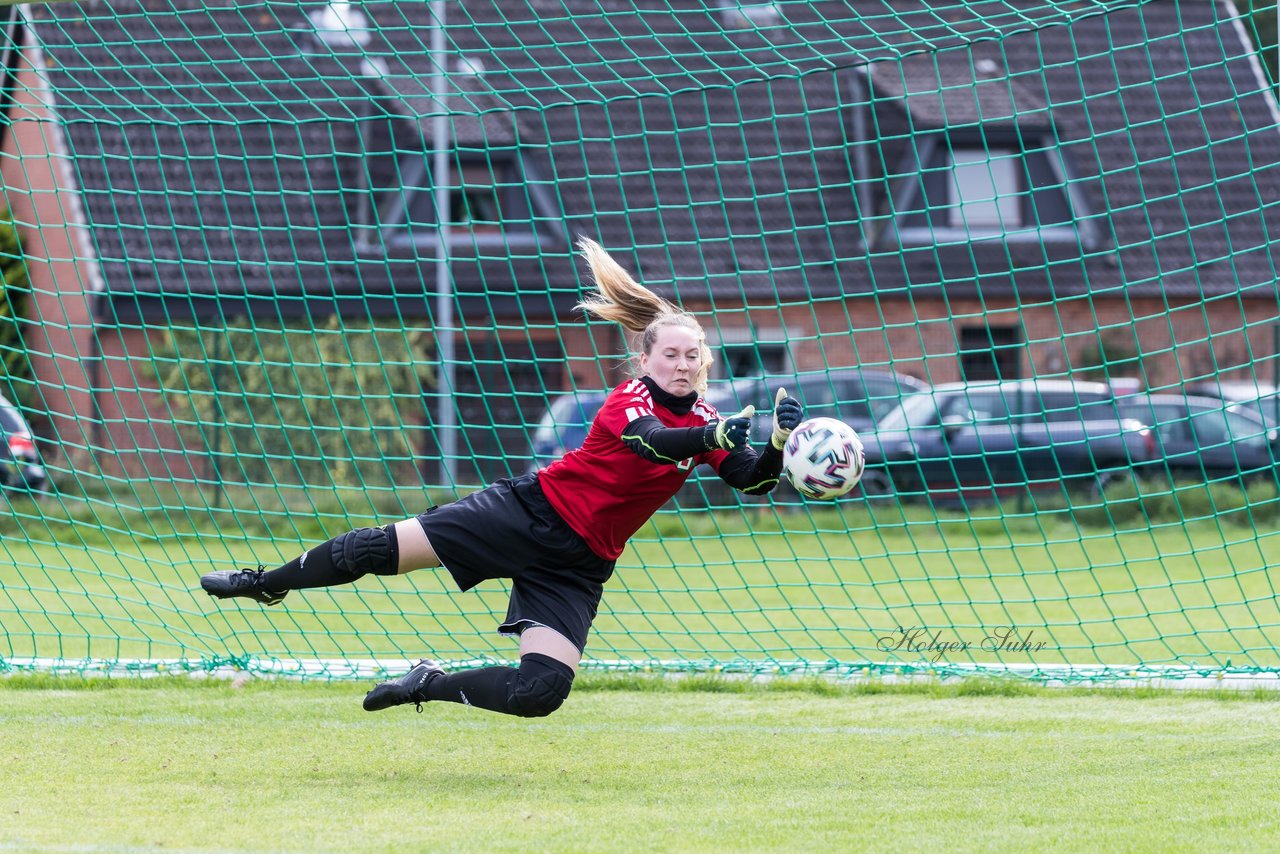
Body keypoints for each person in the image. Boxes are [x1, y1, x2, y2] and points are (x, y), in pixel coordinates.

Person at [200, 237, 803, 718]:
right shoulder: (629, 399)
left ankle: (427, 685)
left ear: (705, 360)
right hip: (527, 513)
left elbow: (752, 483)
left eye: (692, 355)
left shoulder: (707, 416)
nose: (681, 363)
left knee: (538, 694)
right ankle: (266, 581)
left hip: (578, 564)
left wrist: (777, 444)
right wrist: (709, 438)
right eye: (669, 355)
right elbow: (650, 443)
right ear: (644, 360)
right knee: (374, 549)